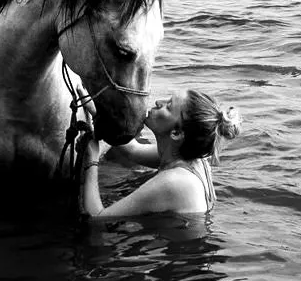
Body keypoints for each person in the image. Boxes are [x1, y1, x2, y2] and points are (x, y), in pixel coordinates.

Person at [78, 87, 241, 220]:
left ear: (176, 133)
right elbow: (133, 151)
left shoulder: (173, 182)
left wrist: (91, 160)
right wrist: (97, 113)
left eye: (168, 107)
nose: (158, 102)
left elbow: (97, 217)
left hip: (185, 258)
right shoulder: (186, 154)